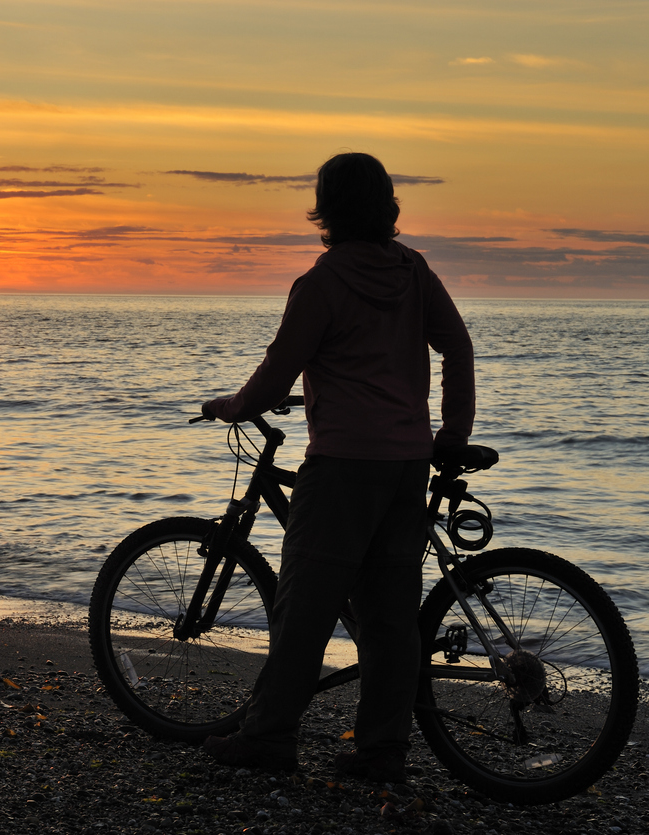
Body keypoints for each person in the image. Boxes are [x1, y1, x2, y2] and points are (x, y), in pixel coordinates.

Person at [199, 152, 475, 782]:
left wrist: (230, 406)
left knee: (304, 611)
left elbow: (275, 375)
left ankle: (268, 737)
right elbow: (457, 346)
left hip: (344, 466)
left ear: (326, 210)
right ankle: (381, 753)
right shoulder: (413, 273)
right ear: (387, 207)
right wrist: (452, 432)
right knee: (389, 619)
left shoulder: (321, 285)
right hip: (406, 462)